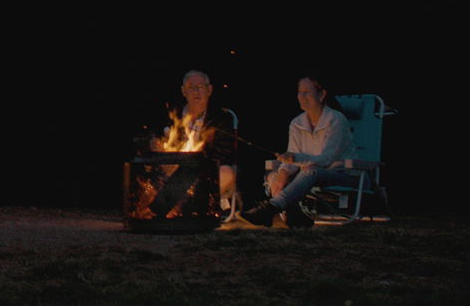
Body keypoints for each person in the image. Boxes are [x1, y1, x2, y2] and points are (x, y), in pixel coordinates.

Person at [241, 75, 358, 228]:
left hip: (343, 174)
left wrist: (296, 158)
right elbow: (293, 159)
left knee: (310, 171)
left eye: (306, 92)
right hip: (308, 175)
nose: (301, 97)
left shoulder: (336, 120)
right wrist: (283, 173)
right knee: (274, 175)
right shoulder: (297, 123)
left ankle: (270, 208)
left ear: (321, 95)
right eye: (299, 92)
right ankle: (293, 213)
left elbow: (327, 159)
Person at [152, 70, 238, 213]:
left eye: (201, 87)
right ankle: (180, 207)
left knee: (227, 172)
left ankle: (177, 206)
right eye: (192, 87)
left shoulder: (221, 119)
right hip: (173, 169)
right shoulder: (172, 115)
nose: (197, 91)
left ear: (209, 90)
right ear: (183, 91)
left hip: (207, 169)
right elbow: (154, 136)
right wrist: (154, 143)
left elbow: (225, 152)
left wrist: (198, 165)